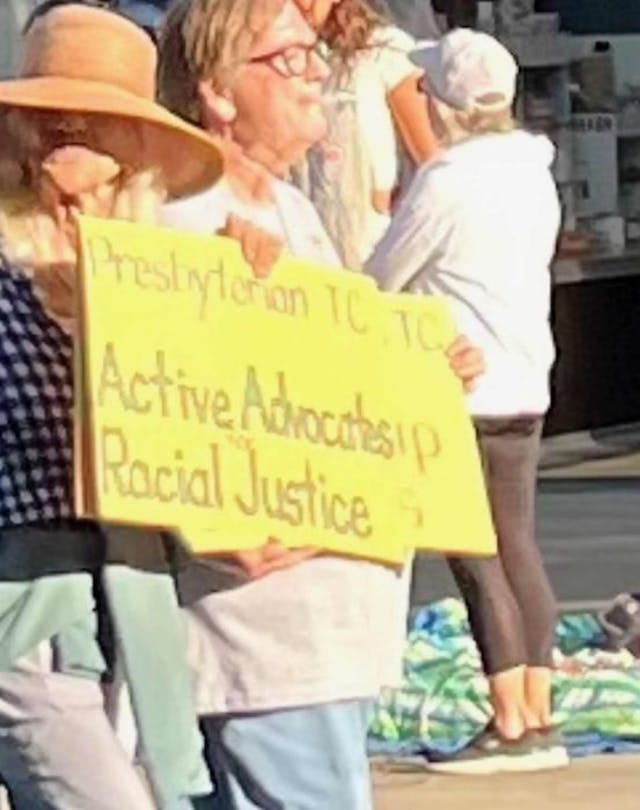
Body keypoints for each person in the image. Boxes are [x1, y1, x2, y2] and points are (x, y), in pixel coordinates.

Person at [158, 1, 484, 807]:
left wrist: (421, 373)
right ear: (218, 94)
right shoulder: (180, 226)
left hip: (322, 630)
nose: (317, 76)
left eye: (315, 57)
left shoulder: (292, 210)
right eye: (290, 59)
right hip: (264, 635)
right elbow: (162, 399)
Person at [0, 3, 229, 807]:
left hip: (129, 600)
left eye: (95, 122)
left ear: (133, 151)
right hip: (21, 616)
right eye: (47, 117)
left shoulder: (160, 278)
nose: (67, 137)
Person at [366, 28, 567, 774]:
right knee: (518, 542)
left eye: (426, 89)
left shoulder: (449, 179)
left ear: (448, 104)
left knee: (474, 556)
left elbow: (384, 275)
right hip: (528, 377)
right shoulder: (533, 170)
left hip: (464, 385)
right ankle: (537, 706)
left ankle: (510, 722)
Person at [292, 0, 439, 268]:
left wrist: (393, 209)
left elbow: (431, 161)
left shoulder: (386, 51)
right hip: (308, 249)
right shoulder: (283, 58)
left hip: (372, 249)